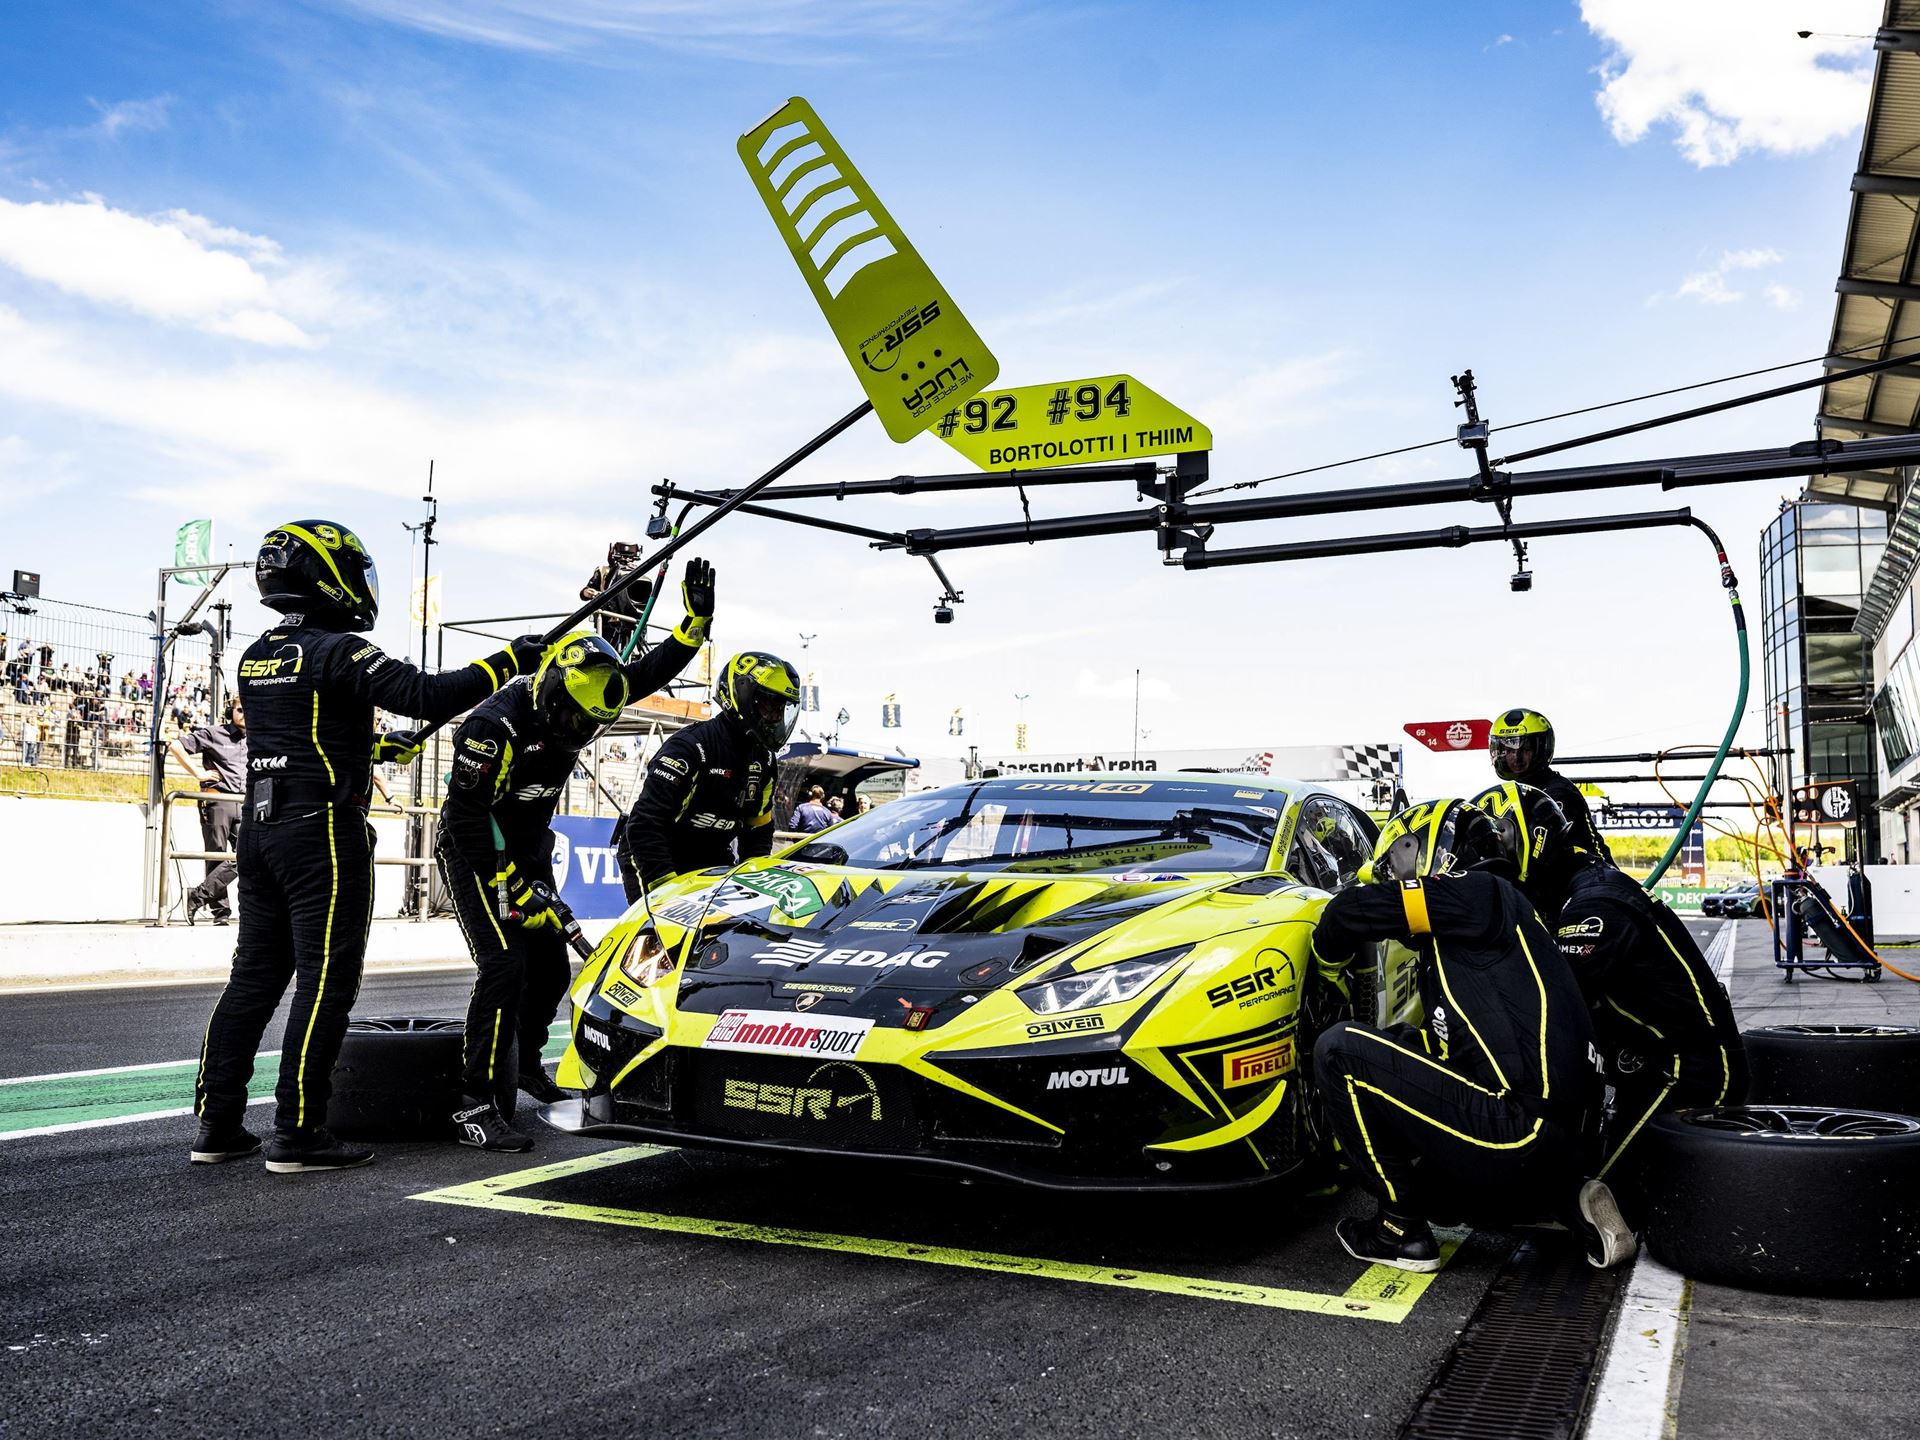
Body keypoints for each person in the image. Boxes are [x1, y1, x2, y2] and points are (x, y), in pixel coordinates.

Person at [192, 519, 544, 1174]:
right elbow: (425, 694)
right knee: (327, 979)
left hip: (261, 830)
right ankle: (298, 1131)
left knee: (254, 976)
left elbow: (307, 735)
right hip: (322, 832)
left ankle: (216, 1124)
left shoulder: (257, 656)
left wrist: (376, 747)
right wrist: (509, 661)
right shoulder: (340, 649)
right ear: (330, 575)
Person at [436, 559, 711, 1152]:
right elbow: (464, 818)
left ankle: (527, 1063)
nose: (576, 730)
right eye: (569, 717)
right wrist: (512, 880)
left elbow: (643, 673)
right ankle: (474, 1103)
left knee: (550, 967)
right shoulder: (493, 725)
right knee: (504, 966)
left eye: (589, 724)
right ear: (549, 690)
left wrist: (692, 628)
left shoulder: (582, 700)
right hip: (475, 850)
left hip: (529, 851)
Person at [1308, 798, 1629, 1273]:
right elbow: (1451, 1052)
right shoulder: (1507, 918)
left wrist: (1327, 968)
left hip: (1519, 1132)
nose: (1393, 877)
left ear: (1435, 849)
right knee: (1403, 1044)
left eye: (1397, 860)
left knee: (1338, 1050)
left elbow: (1349, 910)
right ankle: (1560, 1203)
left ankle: (1399, 1230)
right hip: (1563, 1143)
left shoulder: (1480, 892)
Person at [1473, 781, 1745, 1221]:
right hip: (1647, 1060)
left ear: (1528, 841)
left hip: (1687, 1070)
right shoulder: (1576, 886)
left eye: (1494, 846)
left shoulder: (1591, 904)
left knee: (1576, 1200)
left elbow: (1552, 1011)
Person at [616, 650, 801, 901]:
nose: (776, 717)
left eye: (781, 708)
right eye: (769, 704)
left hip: (711, 853)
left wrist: (756, 889)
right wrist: (667, 893)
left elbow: (757, 830)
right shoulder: (691, 747)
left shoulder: (765, 759)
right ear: (742, 696)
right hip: (655, 851)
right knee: (662, 933)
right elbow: (644, 825)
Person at [1487, 707, 1612, 862]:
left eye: (1525, 749)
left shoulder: (1558, 792)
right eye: (1509, 751)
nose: (1516, 758)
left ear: (1541, 748)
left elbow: (1538, 851)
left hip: (1591, 875)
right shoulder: (1512, 794)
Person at [169, 697, 249, 925]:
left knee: (246, 854)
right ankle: (220, 914)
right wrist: (199, 774)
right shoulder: (214, 733)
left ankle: (197, 896)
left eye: (248, 709)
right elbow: (176, 746)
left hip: (245, 802)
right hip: (217, 801)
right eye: (240, 709)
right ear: (230, 711)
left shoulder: (257, 738)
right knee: (215, 854)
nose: (244, 714)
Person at [579, 541, 647, 653]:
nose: (625, 560)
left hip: (631, 620)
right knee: (606, 652)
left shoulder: (638, 573)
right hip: (607, 620)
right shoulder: (602, 570)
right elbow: (584, 593)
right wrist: (588, 592)